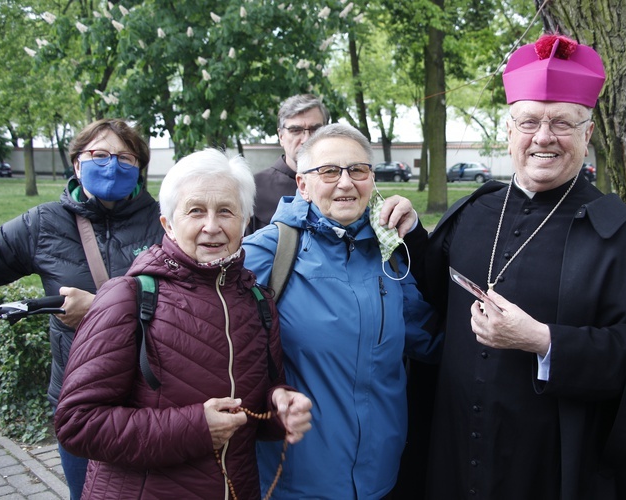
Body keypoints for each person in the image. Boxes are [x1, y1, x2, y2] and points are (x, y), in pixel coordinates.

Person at [414, 34, 626, 499]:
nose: (543, 137)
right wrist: (409, 232)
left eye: (561, 123)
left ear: (587, 134)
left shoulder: (624, 238)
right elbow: (426, 303)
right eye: (529, 121)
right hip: (455, 453)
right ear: (509, 129)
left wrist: (543, 341)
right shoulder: (472, 214)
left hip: (556, 469)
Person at [54, 148, 313, 499]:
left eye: (225, 211)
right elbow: (77, 424)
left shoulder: (257, 302)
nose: (212, 226)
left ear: (245, 220)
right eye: (195, 211)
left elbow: (252, 411)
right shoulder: (126, 298)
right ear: (168, 224)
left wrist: (279, 408)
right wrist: (194, 428)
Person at [242, 123, 441, 499]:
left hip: (381, 476)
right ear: (302, 185)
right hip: (294, 480)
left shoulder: (390, 254)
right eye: (330, 171)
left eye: (358, 170)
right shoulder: (267, 252)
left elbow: (429, 337)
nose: (346, 183)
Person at [0, 118, 165, 499]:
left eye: (125, 157)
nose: (112, 164)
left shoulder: (166, 221)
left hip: (153, 399)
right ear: (77, 163)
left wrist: (101, 309)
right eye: (99, 154)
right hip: (82, 403)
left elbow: (194, 305)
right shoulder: (44, 223)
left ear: (139, 168)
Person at [246, 93, 331, 234]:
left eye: (315, 129)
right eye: (295, 130)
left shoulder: (343, 184)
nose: (306, 139)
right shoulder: (253, 189)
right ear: (281, 136)